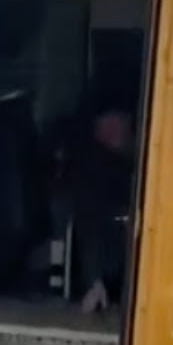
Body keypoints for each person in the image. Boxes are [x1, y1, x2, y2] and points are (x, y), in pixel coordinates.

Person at [62, 106, 135, 314]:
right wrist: (94, 280)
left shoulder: (161, 157)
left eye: (115, 122)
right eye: (102, 126)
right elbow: (88, 223)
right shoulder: (94, 170)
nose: (108, 130)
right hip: (109, 277)